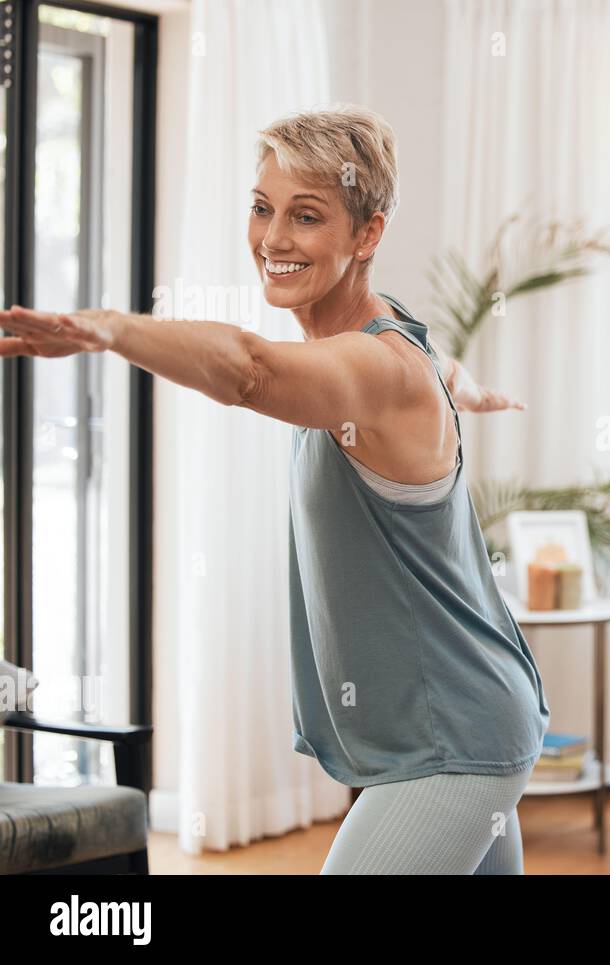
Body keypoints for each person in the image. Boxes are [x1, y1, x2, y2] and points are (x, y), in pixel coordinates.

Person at [0, 105, 550, 874]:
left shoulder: (376, 368)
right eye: (262, 209)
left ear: (367, 235)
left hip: (451, 742)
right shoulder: (380, 345)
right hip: (472, 721)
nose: (275, 239)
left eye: (307, 215)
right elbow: (433, 370)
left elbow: (251, 370)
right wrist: (472, 387)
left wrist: (108, 330)